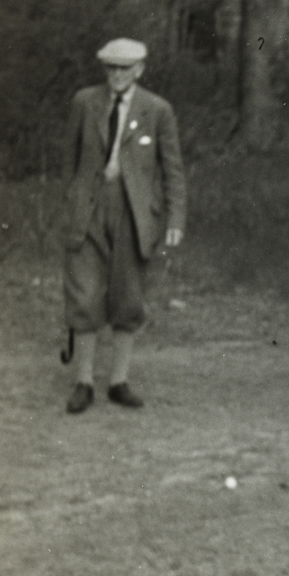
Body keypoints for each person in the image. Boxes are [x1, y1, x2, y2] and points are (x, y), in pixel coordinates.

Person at [60, 38, 187, 413]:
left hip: (134, 215)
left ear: (139, 70)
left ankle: (118, 381)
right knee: (84, 294)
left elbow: (173, 169)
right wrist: (70, 203)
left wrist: (175, 217)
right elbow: (69, 159)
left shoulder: (158, 110)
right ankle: (83, 381)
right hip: (89, 211)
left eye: (125, 69)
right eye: (111, 69)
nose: (117, 76)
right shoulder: (85, 102)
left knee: (127, 297)